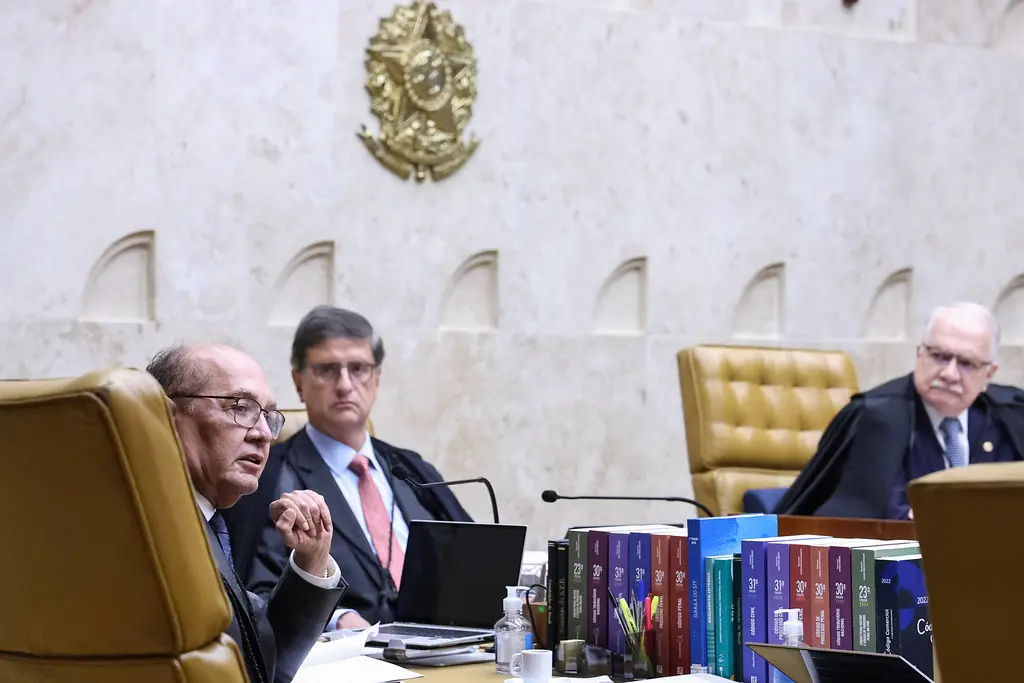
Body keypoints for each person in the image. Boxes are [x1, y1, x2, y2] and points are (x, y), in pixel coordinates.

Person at [228, 306, 471, 629]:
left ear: (377, 379)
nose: (344, 385)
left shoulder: (413, 470)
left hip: (450, 643)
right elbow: (257, 596)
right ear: (298, 382)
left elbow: (471, 564)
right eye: (327, 370)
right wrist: (334, 618)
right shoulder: (268, 476)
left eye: (358, 368)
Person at [147, 343, 346, 683]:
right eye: (240, 408)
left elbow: (259, 661)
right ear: (166, 416)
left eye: (269, 417)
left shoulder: (203, 519)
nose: (263, 434)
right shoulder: (152, 530)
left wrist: (312, 560)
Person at [775, 302, 1024, 520]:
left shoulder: (1011, 415)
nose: (950, 374)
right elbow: (866, 513)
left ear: (989, 374)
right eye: (939, 356)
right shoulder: (874, 419)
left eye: (967, 364)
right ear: (919, 354)